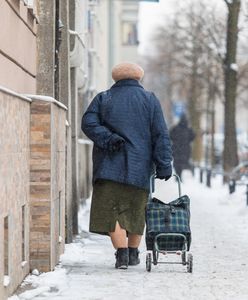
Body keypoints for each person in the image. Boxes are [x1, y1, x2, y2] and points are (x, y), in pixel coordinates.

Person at [81, 62, 172, 269]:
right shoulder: (150, 100)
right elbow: (161, 135)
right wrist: (164, 164)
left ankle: (121, 255)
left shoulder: (104, 98)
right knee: (137, 211)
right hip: (140, 169)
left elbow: (88, 123)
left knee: (112, 212)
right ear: (138, 77)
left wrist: (109, 138)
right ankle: (133, 254)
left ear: (116, 78)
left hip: (108, 167)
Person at [169, 114, 195, 180]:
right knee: (182, 162)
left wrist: (175, 141)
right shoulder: (188, 129)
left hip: (176, 149)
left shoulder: (175, 128)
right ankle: (179, 175)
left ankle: (178, 175)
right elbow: (193, 136)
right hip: (185, 149)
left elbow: (170, 135)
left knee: (177, 162)